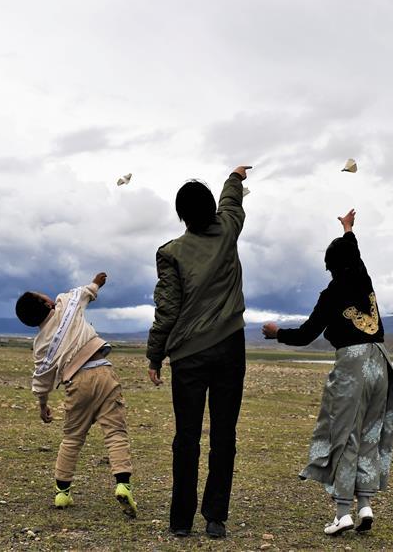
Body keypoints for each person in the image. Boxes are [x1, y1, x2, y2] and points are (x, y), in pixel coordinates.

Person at [262, 209, 393, 536]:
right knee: (369, 432)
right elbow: (354, 251)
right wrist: (349, 229)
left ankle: (343, 513)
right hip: (380, 360)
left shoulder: (331, 293)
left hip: (352, 363)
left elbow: (307, 334)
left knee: (343, 434)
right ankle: (364, 504)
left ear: (331, 267)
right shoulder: (363, 278)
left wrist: (276, 333)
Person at [146, 166, 251, 539]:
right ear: (210, 209)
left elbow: (168, 310)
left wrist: (155, 355)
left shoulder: (171, 253)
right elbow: (232, 202)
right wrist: (235, 177)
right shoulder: (228, 231)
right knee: (225, 433)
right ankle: (215, 518)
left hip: (188, 356)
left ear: (181, 216)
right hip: (229, 349)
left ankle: (180, 521)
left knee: (186, 436)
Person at [16, 272, 137, 517]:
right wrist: (97, 283)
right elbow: (84, 293)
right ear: (47, 303)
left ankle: (62, 492)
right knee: (115, 432)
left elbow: (41, 380)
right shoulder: (65, 304)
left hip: (75, 383)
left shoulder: (40, 345)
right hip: (103, 372)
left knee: (72, 438)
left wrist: (43, 406)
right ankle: (122, 484)